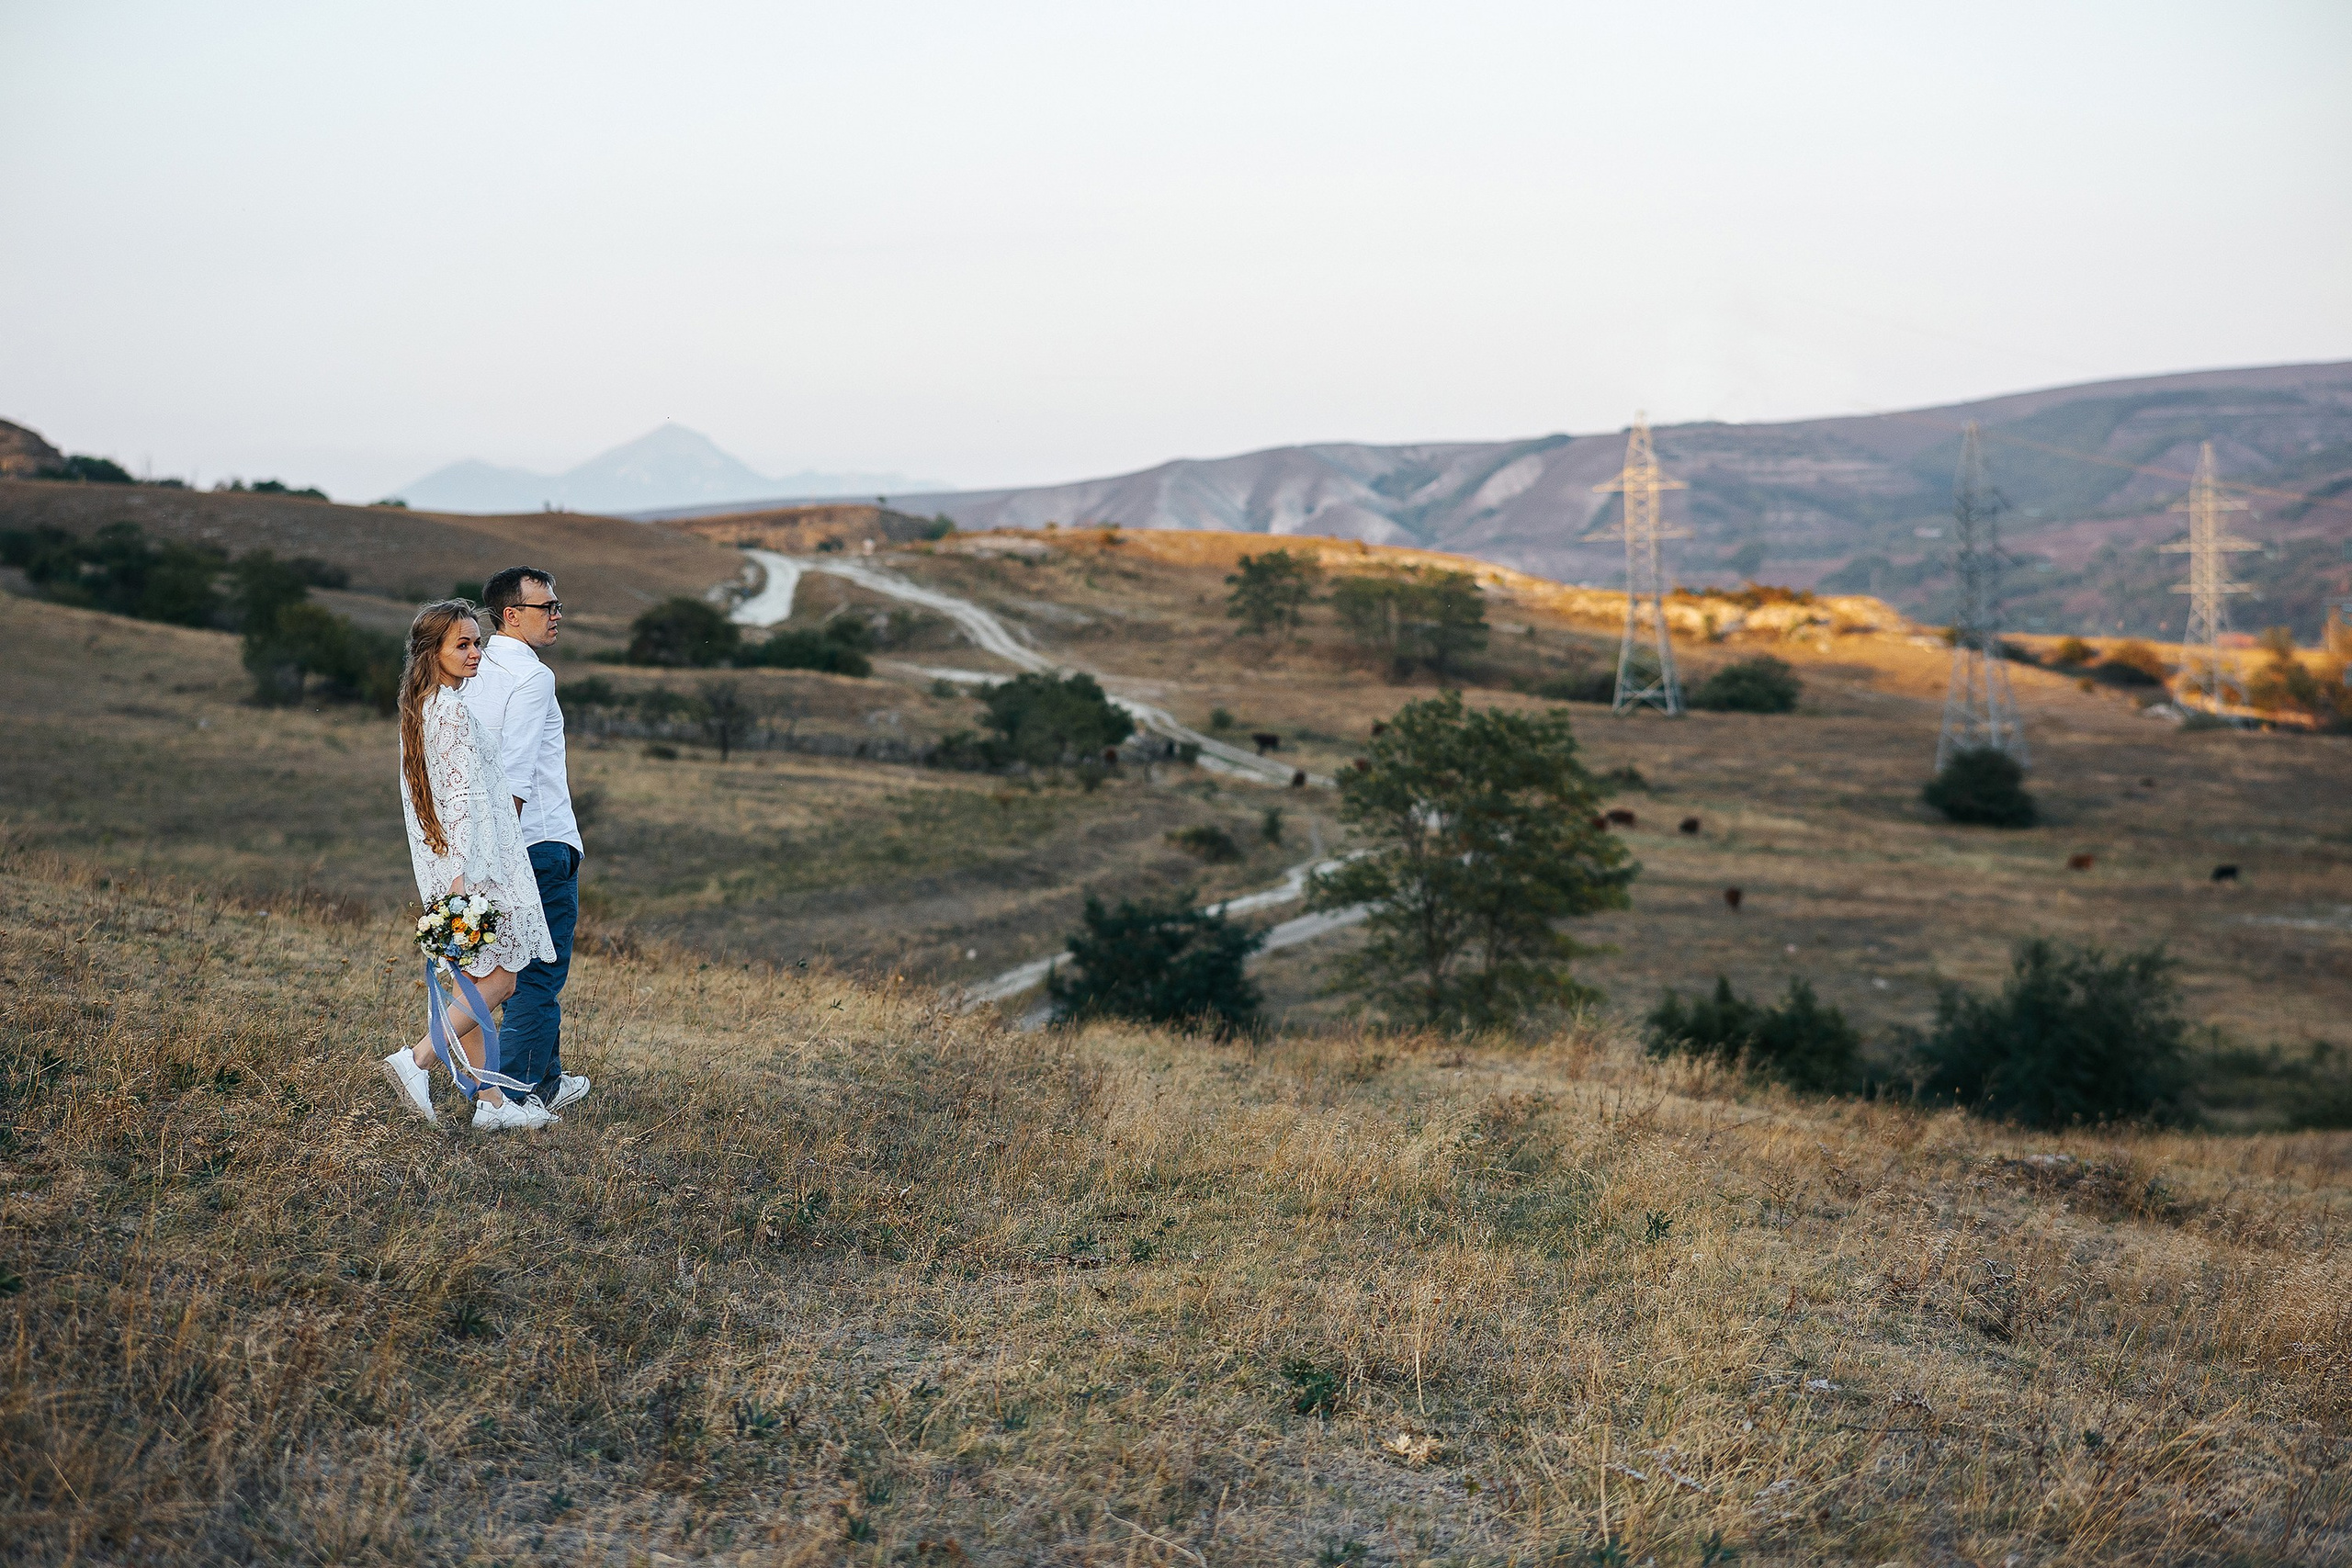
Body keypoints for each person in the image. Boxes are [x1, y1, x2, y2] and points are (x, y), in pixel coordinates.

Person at [381, 600, 560, 1130]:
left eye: (477, 642)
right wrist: (465, 880)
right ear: (432, 652)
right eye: (462, 644)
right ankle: (416, 1060)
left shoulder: (425, 708)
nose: (475, 653)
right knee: (502, 980)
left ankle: (491, 1103)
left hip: (451, 863)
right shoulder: (450, 711)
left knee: (471, 982)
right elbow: (463, 802)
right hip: (476, 866)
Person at [467, 566, 590, 1116]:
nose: (557, 616)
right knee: (538, 971)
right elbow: (515, 775)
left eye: (558, 605)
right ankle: (511, 1094)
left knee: (505, 962)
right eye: (548, 608)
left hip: (480, 840)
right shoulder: (533, 677)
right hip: (537, 840)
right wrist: (503, 860)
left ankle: (548, 1080)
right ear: (511, 615)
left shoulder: (470, 668)